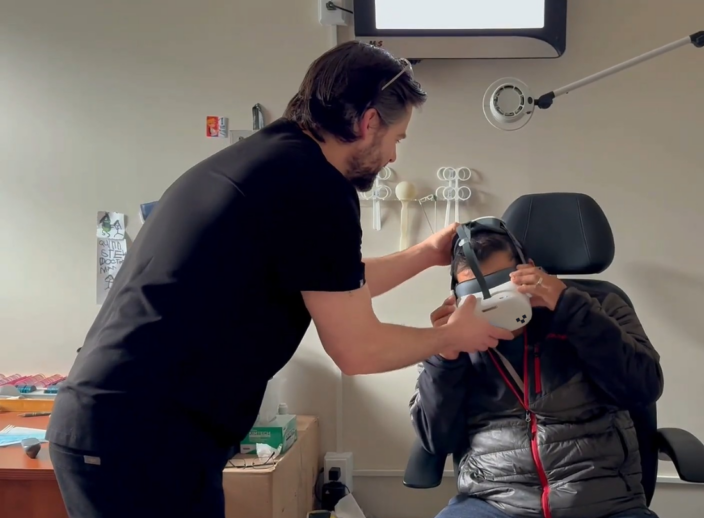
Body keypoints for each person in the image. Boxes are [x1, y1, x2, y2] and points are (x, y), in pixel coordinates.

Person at [46, 41, 513, 518]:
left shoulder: (273, 161)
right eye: (398, 138)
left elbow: (333, 285)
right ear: (368, 122)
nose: (393, 155)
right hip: (142, 436)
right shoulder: (317, 187)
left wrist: (423, 254)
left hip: (128, 425)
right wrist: (452, 335)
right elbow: (357, 349)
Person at [409, 228, 665, 518]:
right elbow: (437, 441)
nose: (492, 301)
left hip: (602, 501)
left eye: (501, 284)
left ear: (529, 268)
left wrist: (573, 311)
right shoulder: (457, 336)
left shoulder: (600, 308)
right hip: (493, 501)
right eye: (476, 294)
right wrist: (445, 356)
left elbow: (643, 388)